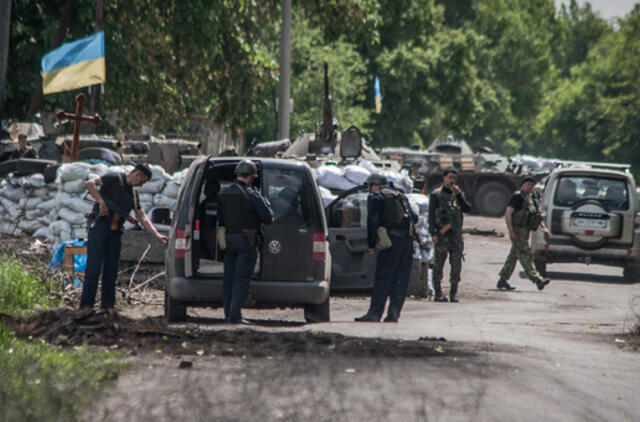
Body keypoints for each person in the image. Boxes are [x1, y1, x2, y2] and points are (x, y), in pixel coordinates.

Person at [80, 163, 168, 311]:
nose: (141, 185)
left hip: (115, 233)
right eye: (142, 181)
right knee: (93, 269)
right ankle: (86, 307)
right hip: (100, 228)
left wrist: (157, 234)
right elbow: (89, 184)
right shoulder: (114, 178)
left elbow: (142, 217)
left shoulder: (134, 194)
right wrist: (101, 202)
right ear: (137, 174)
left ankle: (107, 308)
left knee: (111, 272)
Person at [355, 173, 417, 322]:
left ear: (374, 185)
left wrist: (371, 243)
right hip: (407, 241)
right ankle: (394, 314)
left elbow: (373, 220)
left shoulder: (376, 197)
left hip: (390, 241)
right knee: (401, 278)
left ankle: (374, 314)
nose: (369, 190)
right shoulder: (400, 196)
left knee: (383, 277)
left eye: (369, 186)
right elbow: (414, 217)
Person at [217, 160, 274, 323]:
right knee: (241, 279)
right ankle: (235, 316)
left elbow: (220, 219)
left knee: (228, 279)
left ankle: (228, 314)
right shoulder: (251, 193)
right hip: (246, 241)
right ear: (250, 177)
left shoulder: (223, 193)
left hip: (227, 240)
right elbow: (268, 217)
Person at [497, 176, 551, 291]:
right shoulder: (517, 197)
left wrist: (544, 228)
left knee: (514, 255)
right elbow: (508, 213)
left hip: (526, 230)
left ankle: (502, 279)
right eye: (528, 184)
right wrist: (510, 231)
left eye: (532, 185)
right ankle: (538, 279)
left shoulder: (532, 198)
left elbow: (536, 215)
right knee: (525, 253)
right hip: (518, 230)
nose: (530, 187)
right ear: (523, 185)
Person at [428, 167, 471, 302]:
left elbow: (467, 209)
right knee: (438, 265)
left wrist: (459, 196)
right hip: (442, 235)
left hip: (456, 235)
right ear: (444, 178)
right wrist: (433, 233)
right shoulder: (436, 195)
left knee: (456, 265)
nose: (452, 180)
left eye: (454, 178)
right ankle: (438, 293)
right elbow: (431, 215)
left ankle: (453, 293)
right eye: (450, 177)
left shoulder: (457, 194)